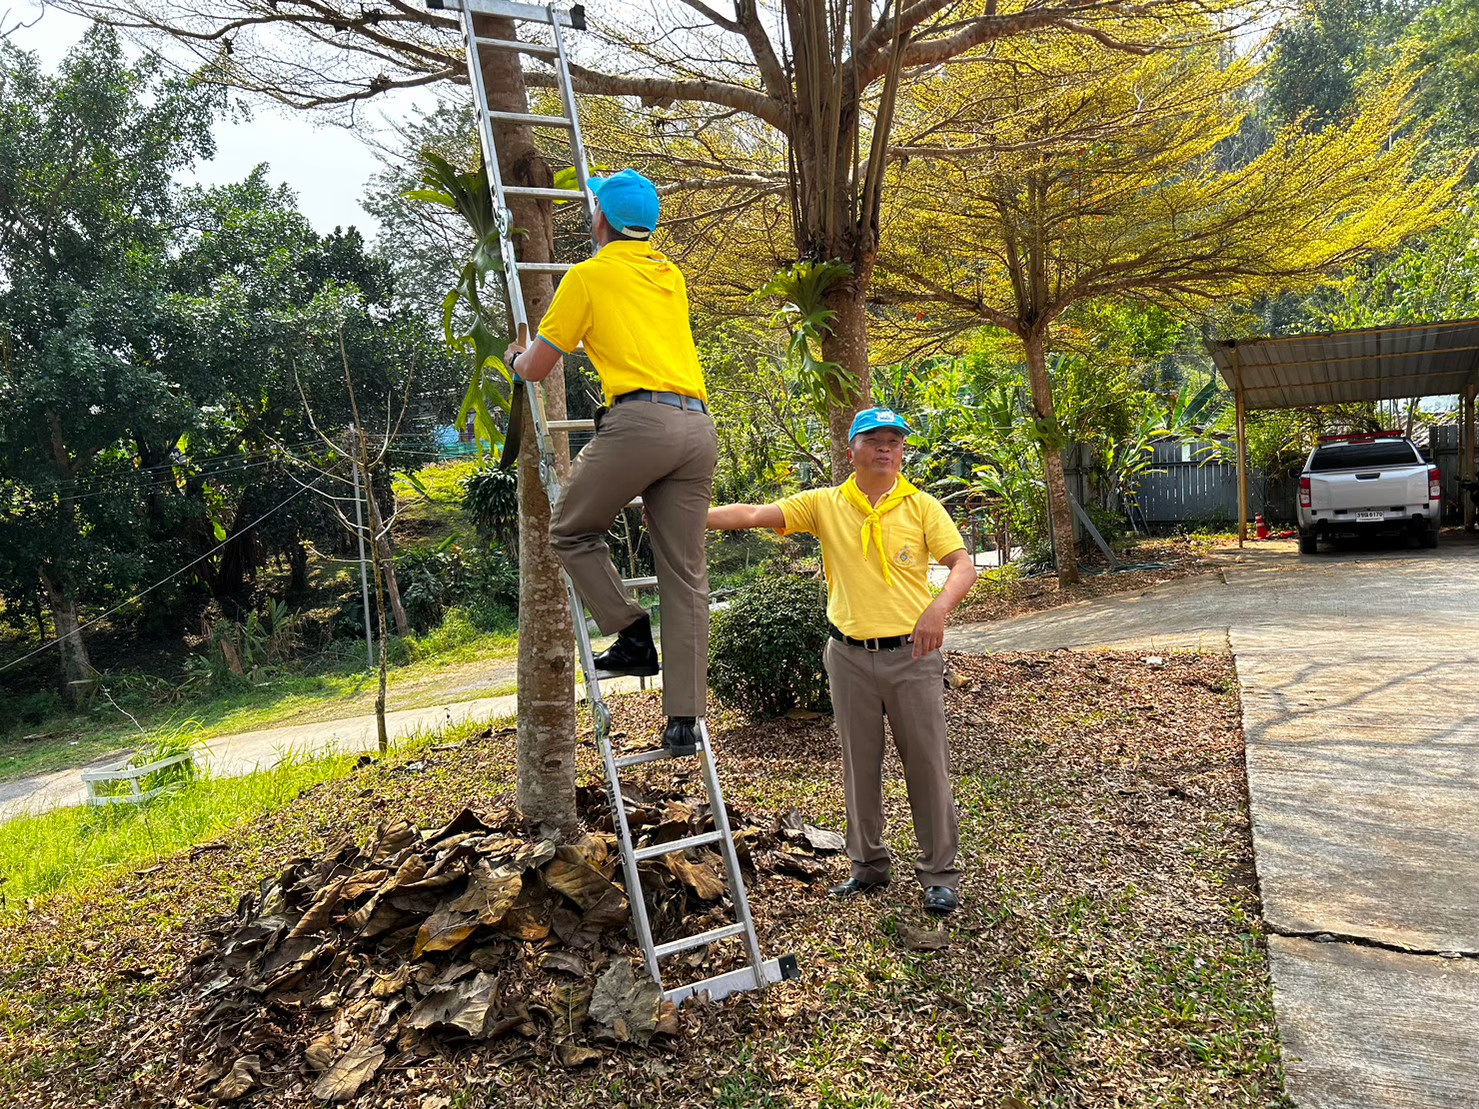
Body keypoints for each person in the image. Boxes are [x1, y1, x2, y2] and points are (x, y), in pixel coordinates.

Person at [707, 408, 978, 914]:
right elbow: (752, 514)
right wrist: (685, 513)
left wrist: (938, 610)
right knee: (859, 765)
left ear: (902, 451)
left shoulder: (922, 506)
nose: (885, 448)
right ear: (851, 451)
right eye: (874, 440)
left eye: (894, 441)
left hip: (914, 656)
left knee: (927, 765)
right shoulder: (824, 504)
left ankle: (939, 875)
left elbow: (962, 565)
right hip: (849, 657)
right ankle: (868, 865)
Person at [504, 169, 716, 756]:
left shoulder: (587, 277)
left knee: (570, 529)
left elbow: (539, 367)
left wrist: (516, 355)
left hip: (642, 424)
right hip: (698, 428)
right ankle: (683, 720)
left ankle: (631, 632)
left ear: (600, 218)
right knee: (684, 575)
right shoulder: (669, 274)